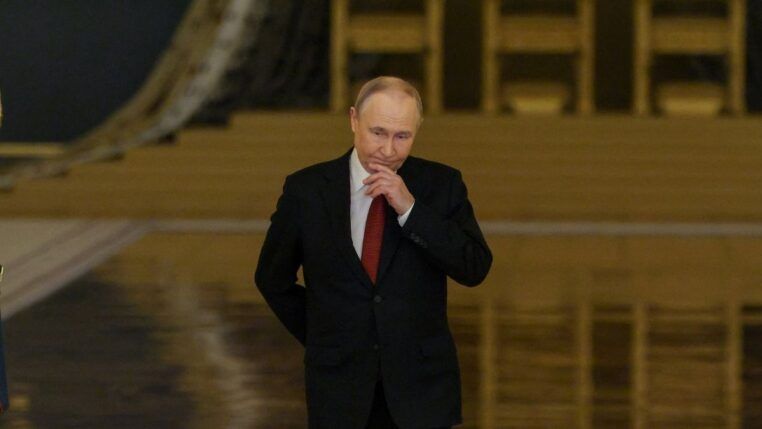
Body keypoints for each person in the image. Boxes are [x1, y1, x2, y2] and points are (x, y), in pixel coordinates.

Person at [255, 76, 492, 429]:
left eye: (402, 136)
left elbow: (474, 267)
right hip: (340, 386)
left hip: (422, 389)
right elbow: (272, 279)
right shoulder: (306, 191)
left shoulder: (442, 185)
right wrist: (326, 336)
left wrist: (411, 209)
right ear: (354, 120)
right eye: (378, 132)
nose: (388, 150)